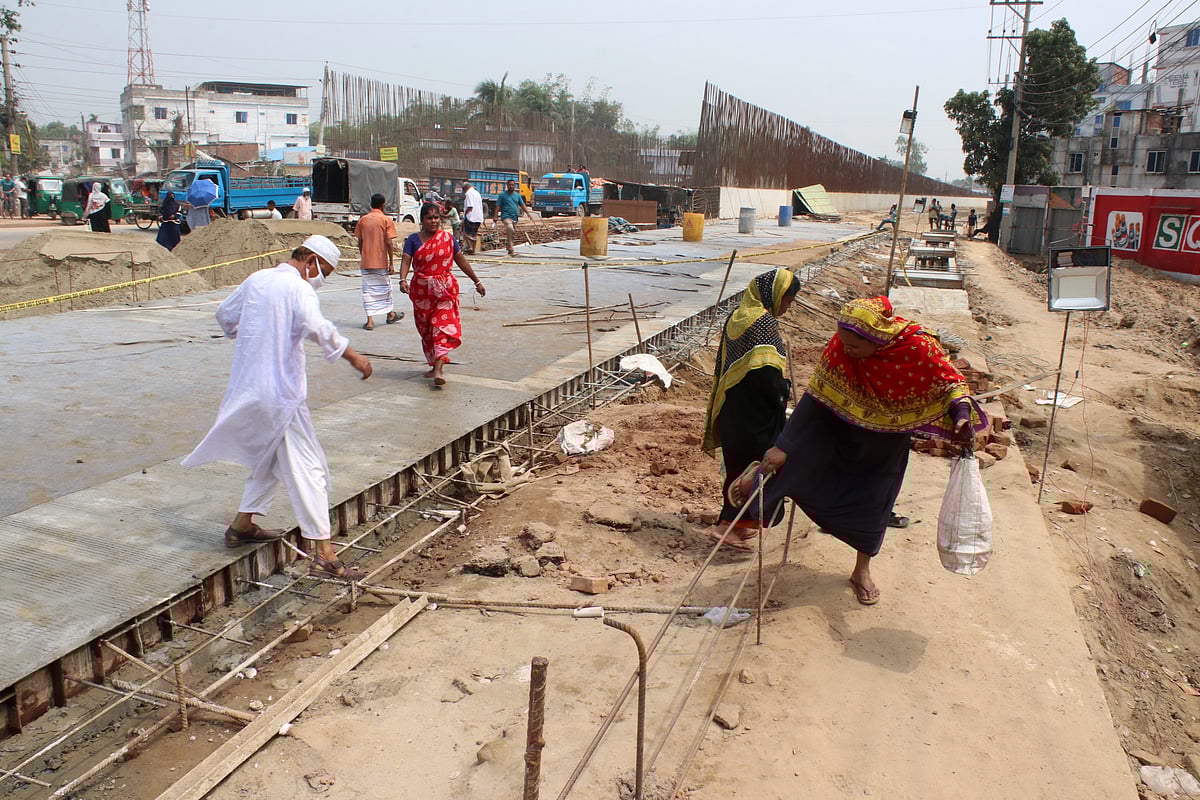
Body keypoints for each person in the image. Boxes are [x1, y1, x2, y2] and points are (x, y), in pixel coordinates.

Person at [729, 296, 988, 605]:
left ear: (877, 338)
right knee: (794, 463)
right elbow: (815, 396)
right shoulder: (841, 346)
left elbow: (951, 382)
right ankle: (757, 480)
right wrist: (783, 445)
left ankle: (861, 571)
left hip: (885, 438)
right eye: (845, 344)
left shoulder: (917, 348)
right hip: (836, 425)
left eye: (855, 347)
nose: (847, 351)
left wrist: (960, 411)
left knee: (876, 502)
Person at [182, 235, 372, 582]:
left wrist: (257, 334)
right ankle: (325, 554)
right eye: (323, 272)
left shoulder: (258, 279)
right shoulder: (299, 289)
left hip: (250, 390)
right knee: (309, 469)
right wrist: (354, 356)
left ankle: (242, 526)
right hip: (280, 396)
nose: (320, 279)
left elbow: (225, 316)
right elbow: (319, 329)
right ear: (311, 260)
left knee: (269, 459)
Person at [701, 268, 799, 550]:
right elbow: (766, 372)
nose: (788, 307)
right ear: (775, 295)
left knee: (738, 466)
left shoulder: (738, 315)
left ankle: (738, 527)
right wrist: (783, 391)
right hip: (757, 413)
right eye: (788, 300)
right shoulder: (763, 322)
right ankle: (728, 528)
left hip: (734, 406)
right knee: (756, 470)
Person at [398, 202, 486, 386]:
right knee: (427, 330)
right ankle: (434, 365)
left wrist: (477, 281)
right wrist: (403, 280)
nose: (434, 221)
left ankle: (439, 369)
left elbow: (461, 261)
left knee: (441, 326)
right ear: (422, 220)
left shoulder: (448, 239)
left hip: (445, 291)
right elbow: (406, 261)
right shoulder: (413, 240)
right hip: (422, 292)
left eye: (436, 217)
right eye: (429, 218)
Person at [354, 192, 400, 331]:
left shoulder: (363, 220)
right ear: (383, 205)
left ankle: (370, 321)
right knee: (385, 289)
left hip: (366, 261)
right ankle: (390, 314)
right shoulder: (386, 220)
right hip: (381, 261)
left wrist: (364, 255)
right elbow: (388, 242)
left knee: (368, 290)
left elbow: (360, 241)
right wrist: (391, 262)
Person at [492, 179, 533, 256]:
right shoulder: (503, 195)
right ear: (507, 186)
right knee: (510, 228)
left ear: (515, 186)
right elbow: (498, 206)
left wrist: (528, 213)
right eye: (510, 185)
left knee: (512, 231)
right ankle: (510, 245)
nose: (511, 186)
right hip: (506, 216)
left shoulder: (517, 195)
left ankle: (509, 246)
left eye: (513, 185)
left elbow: (522, 205)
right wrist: (495, 216)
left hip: (514, 217)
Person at [461, 179, 484, 255]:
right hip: (478, 217)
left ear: (465, 188)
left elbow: (470, 206)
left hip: (471, 216)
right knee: (474, 234)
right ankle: (473, 250)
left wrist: (465, 214)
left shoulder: (469, 193)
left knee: (465, 232)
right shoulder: (477, 193)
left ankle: (470, 247)